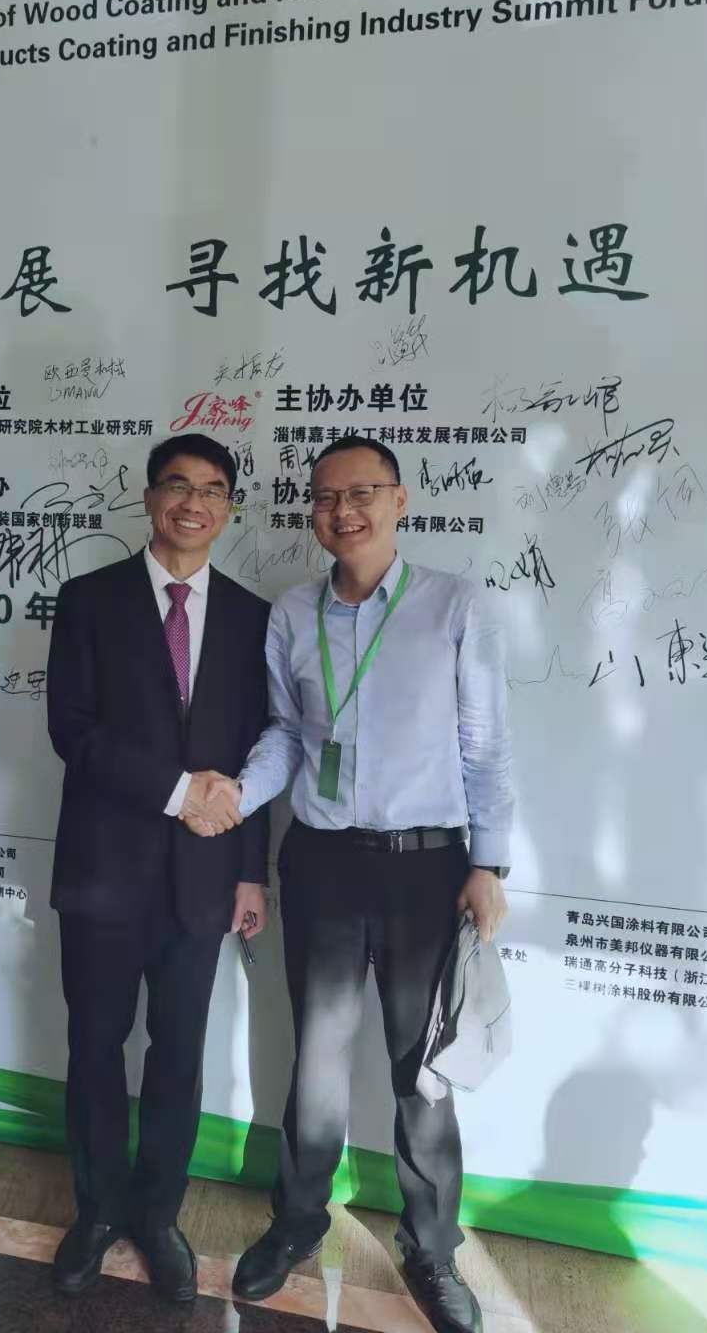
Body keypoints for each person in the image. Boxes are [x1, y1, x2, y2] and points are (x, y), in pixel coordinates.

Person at [187, 435, 512, 1333]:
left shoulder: (455, 606)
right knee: (319, 1060)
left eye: (362, 493)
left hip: (427, 866)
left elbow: (486, 746)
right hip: (324, 862)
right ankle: (297, 1220)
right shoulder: (294, 613)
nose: (344, 511)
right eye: (327, 498)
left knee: (423, 1068)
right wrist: (235, 795)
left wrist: (488, 863)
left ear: (399, 501)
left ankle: (432, 1248)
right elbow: (287, 735)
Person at [45, 432, 269, 1303]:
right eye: (177, 485)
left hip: (203, 879)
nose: (193, 503)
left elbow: (257, 754)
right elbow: (73, 731)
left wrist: (250, 873)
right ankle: (97, 1211)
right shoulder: (88, 599)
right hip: (104, 873)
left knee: (178, 1053)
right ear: (149, 499)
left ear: (228, 509)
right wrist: (178, 792)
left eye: (212, 490)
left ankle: (159, 1216)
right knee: (96, 1047)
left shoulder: (252, 616)